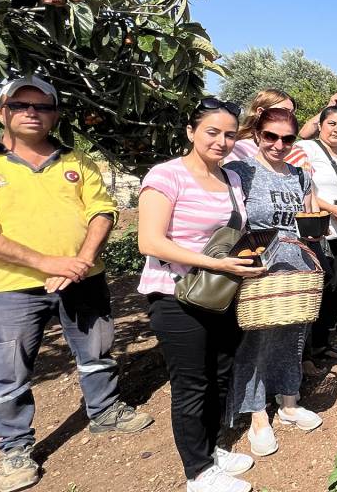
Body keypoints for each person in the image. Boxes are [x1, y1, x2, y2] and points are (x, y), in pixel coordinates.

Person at [0, 76, 154, 492]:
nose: (31, 112)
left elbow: (102, 212)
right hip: (11, 288)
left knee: (97, 349)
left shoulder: (76, 162)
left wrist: (79, 262)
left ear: (54, 115)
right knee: (9, 372)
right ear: (0, 111)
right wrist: (49, 263)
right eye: (21, 104)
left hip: (83, 279)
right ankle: (14, 448)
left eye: (42, 107)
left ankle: (104, 410)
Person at [137, 98, 262, 492]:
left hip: (220, 294)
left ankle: (212, 448)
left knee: (221, 375)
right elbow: (150, 241)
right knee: (192, 383)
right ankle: (198, 471)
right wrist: (216, 265)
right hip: (176, 296)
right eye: (212, 132)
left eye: (228, 134)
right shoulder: (166, 175)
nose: (222, 141)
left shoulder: (231, 179)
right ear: (191, 132)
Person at [222, 108, 326, 458]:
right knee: (257, 343)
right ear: (257, 135)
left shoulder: (299, 176)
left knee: (295, 337)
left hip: (296, 265)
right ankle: (256, 416)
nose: (279, 145)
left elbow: (307, 216)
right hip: (260, 269)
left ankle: (289, 401)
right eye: (271, 136)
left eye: (287, 138)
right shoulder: (241, 172)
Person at [296, 106, 337, 368]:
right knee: (318, 291)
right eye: (331, 123)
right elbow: (300, 188)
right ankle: (308, 351)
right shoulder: (306, 149)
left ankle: (322, 342)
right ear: (320, 125)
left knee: (335, 291)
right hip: (318, 230)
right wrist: (328, 208)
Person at [227, 89, 310, 170]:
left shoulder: (296, 152)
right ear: (260, 112)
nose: (288, 116)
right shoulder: (239, 149)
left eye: (292, 113)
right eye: (282, 111)